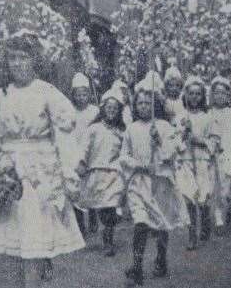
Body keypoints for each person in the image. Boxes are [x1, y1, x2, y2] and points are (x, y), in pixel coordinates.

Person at [0, 33, 85, 287]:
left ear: (34, 60)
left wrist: (68, 170)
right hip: (10, 172)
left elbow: (64, 129)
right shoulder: (1, 95)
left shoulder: (46, 92)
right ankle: (33, 274)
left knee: (34, 234)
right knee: (19, 239)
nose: (17, 63)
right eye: (12, 58)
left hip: (40, 173)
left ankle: (34, 280)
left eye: (23, 57)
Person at [120, 72, 186, 286]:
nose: (143, 107)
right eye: (139, 103)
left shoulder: (164, 127)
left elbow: (173, 153)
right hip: (139, 182)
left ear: (155, 104)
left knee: (161, 224)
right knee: (140, 222)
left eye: (148, 103)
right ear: (135, 106)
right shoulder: (131, 129)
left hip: (160, 183)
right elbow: (123, 156)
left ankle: (161, 258)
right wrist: (137, 164)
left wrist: (159, 142)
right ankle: (137, 266)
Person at [76, 87, 126, 257]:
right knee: (103, 208)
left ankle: (108, 240)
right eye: (108, 107)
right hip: (97, 173)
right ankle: (107, 230)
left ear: (119, 111)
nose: (111, 110)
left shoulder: (121, 131)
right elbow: (84, 147)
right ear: (103, 109)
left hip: (115, 174)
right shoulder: (94, 129)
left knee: (111, 205)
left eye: (115, 108)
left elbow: (126, 151)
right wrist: (82, 162)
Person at [176, 76, 216, 250]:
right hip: (185, 160)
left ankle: (205, 221)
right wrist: (183, 136)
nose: (194, 97)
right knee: (188, 198)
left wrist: (198, 140)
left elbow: (214, 142)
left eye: (198, 94)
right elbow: (174, 141)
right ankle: (192, 235)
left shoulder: (208, 118)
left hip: (202, 161)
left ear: (202, 96)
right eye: (191, 94)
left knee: (203, 198)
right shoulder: (180, 117)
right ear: (185, 95)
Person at [208, 76, 231, 234]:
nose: (219, 96)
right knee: (216, 186)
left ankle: (230, 208)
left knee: (228, 186)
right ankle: (218, 217)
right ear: (212, 95)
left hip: (229, 151)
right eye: (216, 93)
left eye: (223, 93)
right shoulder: (209, 113)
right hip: (214, 153)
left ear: (228, 96)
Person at [70, 72, 100, 237]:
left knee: (92, 185)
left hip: (91, 152)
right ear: (73, 95)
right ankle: (80, 223)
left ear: (89, 94)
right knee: (76, 187)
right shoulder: (70, 111)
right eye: (78, 95)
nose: (81, 98)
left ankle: (94, 217)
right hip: (75, 151)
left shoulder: (94, 111)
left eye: (84, 94)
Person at [162, 62, 186, 126]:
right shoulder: (164, 101)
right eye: (171, 85)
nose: (174, 88)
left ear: (181, 86)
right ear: (166, 86)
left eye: (177, 85)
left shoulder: (183, 101)